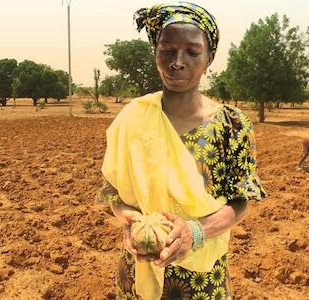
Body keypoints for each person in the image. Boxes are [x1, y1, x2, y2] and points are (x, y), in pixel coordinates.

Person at [98, 2, 266, 299]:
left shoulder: (230, 125)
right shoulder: (132, 119)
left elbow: (240, 203)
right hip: (139, 272)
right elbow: (116, 195)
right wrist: (133, 222)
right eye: (167, 50)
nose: (177, 61)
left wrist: (195, 232)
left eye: (192, 51)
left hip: (202, 279)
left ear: (209, 58)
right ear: (156, 53)